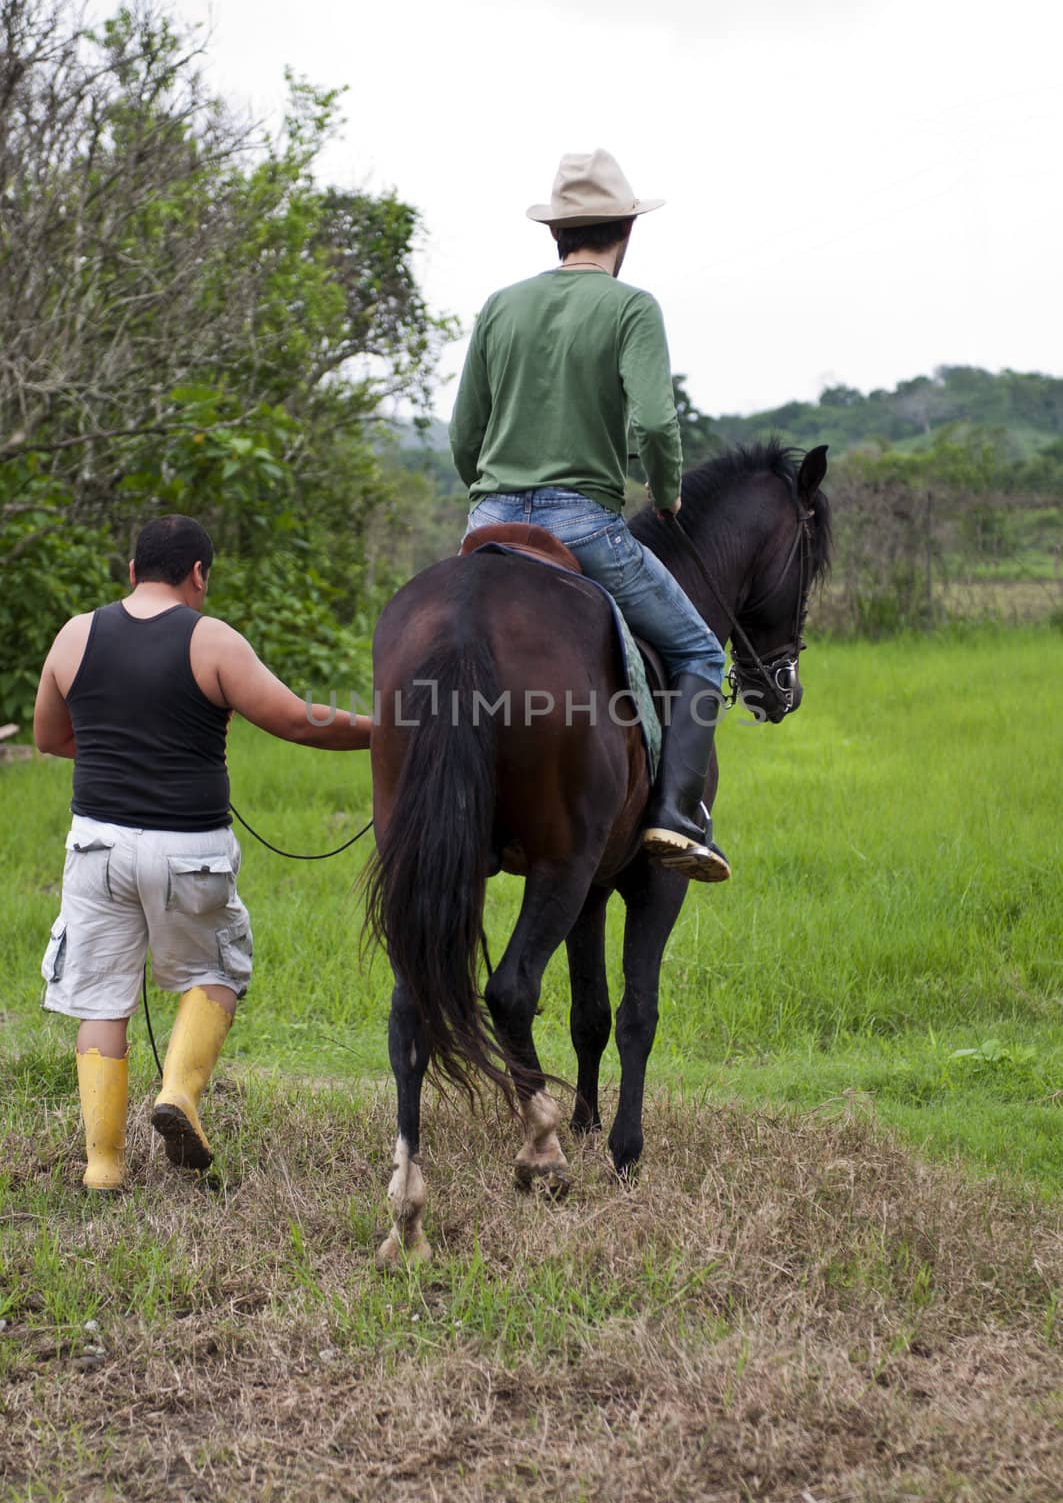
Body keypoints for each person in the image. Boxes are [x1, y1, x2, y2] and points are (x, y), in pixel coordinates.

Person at [33, 514, 371, 1192]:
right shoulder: (211, 639)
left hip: (97, 844)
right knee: (219, 966)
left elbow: (49, 736)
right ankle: (179, 1094)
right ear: (198, 575)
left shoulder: (76, 633)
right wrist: (386, 731)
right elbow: (295, 720)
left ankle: (103, 1167)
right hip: (190, 848)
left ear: (131, 571)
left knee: (103, 998)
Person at [450, 147, 729, 885]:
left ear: (555, 235)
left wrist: (486, 501)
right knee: (702, 655)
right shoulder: (631, 307)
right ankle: (675, 818)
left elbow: (461, 433)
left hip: (487, 525)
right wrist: (665, 491)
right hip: (581, 525)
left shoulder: (501, 305)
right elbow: (657, 427)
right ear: (625, 232)